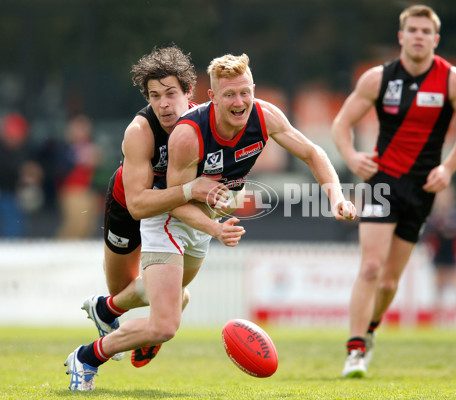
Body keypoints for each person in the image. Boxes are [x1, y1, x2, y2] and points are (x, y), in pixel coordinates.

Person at [65, 53, 356, 391]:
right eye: (229, 94)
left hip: (202, 214)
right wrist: (214, 226)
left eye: (245, 92)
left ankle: (106, 309)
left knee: (177, 298)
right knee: (165, 325)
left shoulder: (264, 115)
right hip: (165, 215)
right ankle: (86, 357)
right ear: (211, 97)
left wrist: (337, 197)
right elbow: (169, 202)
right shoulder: (185, 135)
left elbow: (313, 153)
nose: (239, 101)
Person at [332, 4, 456, 378]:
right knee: (369, 266)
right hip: (384, 182)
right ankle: (353, 351)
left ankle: (369, 331)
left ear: (435, 38)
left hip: (422, 188)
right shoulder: (378, 78)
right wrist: (352, 156)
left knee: (388, 281)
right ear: (401, 37)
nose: (418, 36)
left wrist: (448, 167)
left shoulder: (453, 80)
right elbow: (341, 123)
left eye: (425, 31)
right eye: (412, 30)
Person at [73, 45, 233, 374]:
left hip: (172, 210)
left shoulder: (204, 123)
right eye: (154, 95)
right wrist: (190, 190)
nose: (162, 104)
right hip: (129, 207)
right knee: (127, 289)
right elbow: (138, 204)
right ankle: (110, 308)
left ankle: (111, 313)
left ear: (189, 92)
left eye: (170, 93)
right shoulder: (139, 132)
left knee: (175, 296)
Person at [422, 184, 456, 324]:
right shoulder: (433, 214)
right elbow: (429, 233)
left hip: (453, 256)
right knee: (438, 289)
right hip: (439, 256)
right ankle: (437, 319)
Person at [55, 114, 102, 239]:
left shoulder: (89, 145)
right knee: (75, 225)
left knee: (87, 226)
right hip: (72, 190)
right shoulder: (65, 147)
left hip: (88, 190)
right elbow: (60, 167)